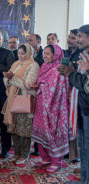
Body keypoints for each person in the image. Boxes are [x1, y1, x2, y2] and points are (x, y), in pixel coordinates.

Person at [58, 24, 89, 184]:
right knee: (83, 146)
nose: (78, 39)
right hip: (83, 107)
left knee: (87, 147)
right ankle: (84, 180)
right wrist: (71, 73)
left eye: (81, 36)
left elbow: (87, 86)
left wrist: (72, 73)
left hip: (87, 106)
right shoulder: (84, 55)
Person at [32, 44, 70, 172]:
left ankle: (57, 161)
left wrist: (40, 86)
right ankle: (46, 157)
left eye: (48, 53)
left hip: (55, 106)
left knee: (53, 131)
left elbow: (57, 88)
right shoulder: (44, 66)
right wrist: (37, 85)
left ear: (56, 54)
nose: (45, 56)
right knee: (42, 130)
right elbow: (42, 82)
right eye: (44, 53)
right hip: (41, 104)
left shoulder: (59, 68)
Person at [2, 44, 40, 164]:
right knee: (14, 128)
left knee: (25, 129)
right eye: (19, 53)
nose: (21, 56)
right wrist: (7, 78)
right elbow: (7, 79)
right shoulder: (16, 64)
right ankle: (17, 153)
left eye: (23, 53)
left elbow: (28, 84)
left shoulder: (34, 66)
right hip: (13, 99)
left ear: (29, 53)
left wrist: (12, 78)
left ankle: (24, 154)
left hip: (25, 99)